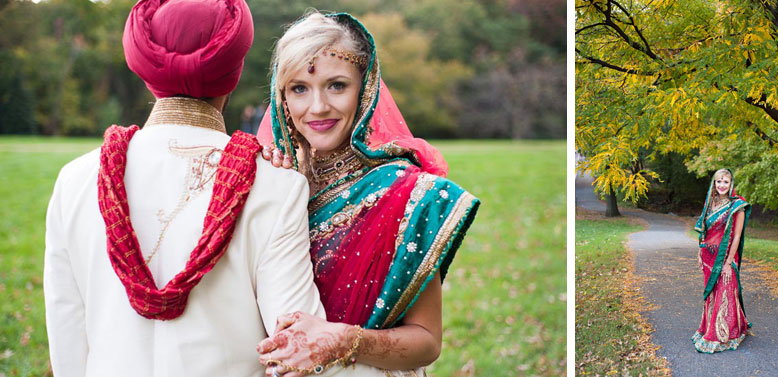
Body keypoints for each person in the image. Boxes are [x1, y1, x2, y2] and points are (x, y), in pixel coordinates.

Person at [43, 1, 324, 376]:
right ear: (233, 74)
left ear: (146, 71)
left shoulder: (75, 180)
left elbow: (67, 337)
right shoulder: (277, 184)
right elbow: (295, 345)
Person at [254, 11, 480, 377]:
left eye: (337, 85)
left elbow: (427, 342)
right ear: (281, 99)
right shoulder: (270, 180)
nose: (318, 107)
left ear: (366, 89)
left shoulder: (405, 194)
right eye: (299, 88)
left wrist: (343, 340)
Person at [692, 168, 751, 353]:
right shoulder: (710, 202)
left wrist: (727, 263)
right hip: (708, 257)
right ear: (714, 183)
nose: (722, 185)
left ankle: (725, 334)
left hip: (725, 258)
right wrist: (699, 253)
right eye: (719, 181)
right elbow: (703, 230)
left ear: (731, 183)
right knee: (712, 294)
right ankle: (709, 327)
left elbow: (736, 236)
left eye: (725, 182)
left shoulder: (737, 206)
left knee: (725, 293)